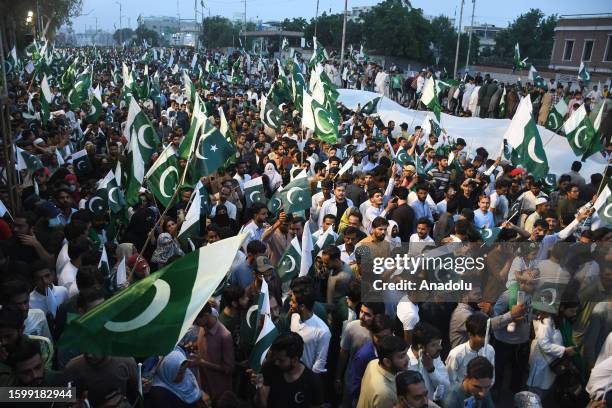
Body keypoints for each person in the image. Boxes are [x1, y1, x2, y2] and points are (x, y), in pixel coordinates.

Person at [254, 332, 324, 408]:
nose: (276, 363)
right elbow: (261, 405)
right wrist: (259, 388)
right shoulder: (269, 368)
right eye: (275, 357)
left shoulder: (312, 381)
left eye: (281, 360)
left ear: (295, 360)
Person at [193, 303, 235, 400]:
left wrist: (204, 363)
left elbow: (229, 368)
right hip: (205, 385)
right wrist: (194, 345)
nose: (195, 323)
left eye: (196, 320)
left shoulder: (225, 336)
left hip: (219, 390)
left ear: (206, 316)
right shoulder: (202, 328)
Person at [357, 335, 409, 408]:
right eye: (401, 356)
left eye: (406, 353)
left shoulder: (373, 363)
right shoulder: (384, 393)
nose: (407, 359)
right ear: (387, 362)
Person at [445, 313, 495, 387]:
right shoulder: (456, 354)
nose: (486, 339)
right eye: (482, 336)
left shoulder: (490, 350)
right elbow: (451, 381)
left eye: (488, 335)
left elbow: (492, 376)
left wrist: (485, 389)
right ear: (470, 334)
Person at [289, 287, 331, 374]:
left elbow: (319, 363)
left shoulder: (323, 331)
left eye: (293, 302)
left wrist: (308, 381)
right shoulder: (294, 317)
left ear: (302, 307)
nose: (290, 303)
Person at [407, 322, 450, 401]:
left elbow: (446, 387)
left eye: (439, 343)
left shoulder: (434, 356)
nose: (440, 347)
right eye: (433, 345)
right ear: (420, 347)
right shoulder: (406, 364)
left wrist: (431, 370)